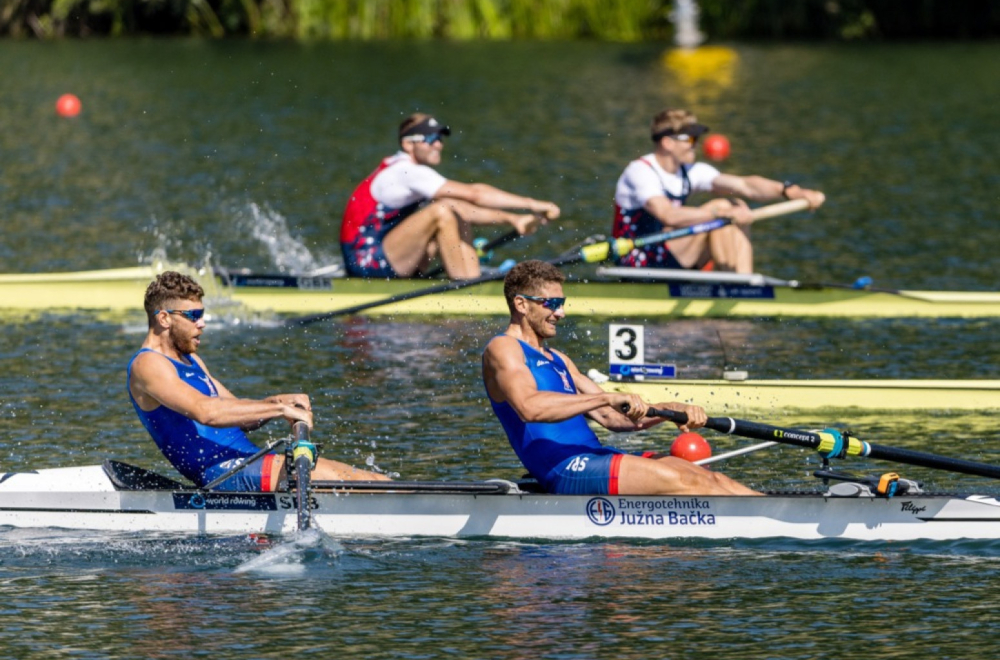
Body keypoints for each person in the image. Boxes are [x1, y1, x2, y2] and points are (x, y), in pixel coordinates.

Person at [481, 260, 760, 496]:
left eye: (562, 303)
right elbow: (529, 407)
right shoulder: (503, 348)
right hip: (564, 468)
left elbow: (614, 418)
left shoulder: (560, 359)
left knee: (711, 478)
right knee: (691, 482)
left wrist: (673, 409)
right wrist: (604, 396)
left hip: (595, 458)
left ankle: (784, 514)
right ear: (521, 304)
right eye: (551, 303)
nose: (561, 313)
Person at [127, 271, 389, 492]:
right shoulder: (147, 365)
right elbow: (206, 412)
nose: (203, 323)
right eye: (194, 315)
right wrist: (279, 410)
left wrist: (276, 401)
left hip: (251, 461)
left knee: (378, 482)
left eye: (202, 314)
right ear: (164, 318)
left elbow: (240, 415)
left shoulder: (190, 360)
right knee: (367, 486)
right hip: (225, 473)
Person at [341, 113, 561, 280]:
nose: (438, 144)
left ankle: (470, 276)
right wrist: (533, 204)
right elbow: (475, 194)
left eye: (439, 138)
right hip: (366, 262)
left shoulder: (407, 169)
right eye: (430, 138)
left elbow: (464, 207)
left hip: (385, 254)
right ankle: (467, 284)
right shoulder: (405, 171)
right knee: (442, 211)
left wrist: (513, 219)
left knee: (450, 207)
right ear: (408, 144)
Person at [613, 108, 826, 274]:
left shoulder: (690, 171)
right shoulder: (640, 172)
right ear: (668, 142)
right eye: (690, 139)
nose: (695, 145)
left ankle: (744, 285)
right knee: (724, 207)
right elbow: (668, 215)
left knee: (733, 205)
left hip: (669, 255)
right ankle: (741, 289)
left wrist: (789, 191)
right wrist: (720, 215)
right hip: (637, 261)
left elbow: (745, 186)